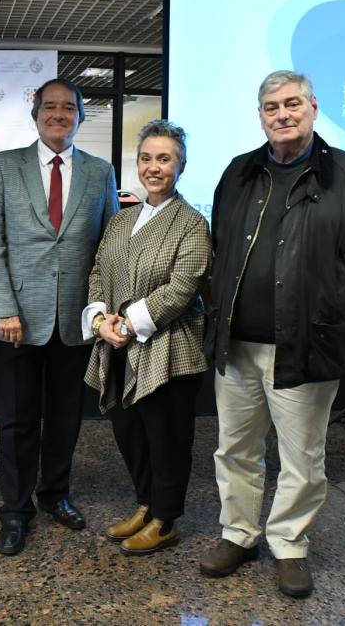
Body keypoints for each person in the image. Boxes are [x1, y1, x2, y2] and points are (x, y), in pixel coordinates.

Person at [199, 70, 345, 596]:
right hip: (237, 344)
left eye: (292, 104)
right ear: (260, 114)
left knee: (301, 456)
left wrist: (332, 301)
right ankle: (239, 535)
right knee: (234, 448)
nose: (282, 115)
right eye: (271, 107)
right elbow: (221, 243)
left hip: (306, 344)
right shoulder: (240, 171)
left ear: (313, 107)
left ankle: (289, 544)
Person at [0, 77, 119, 555]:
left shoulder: (100, 173)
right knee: (16, 420)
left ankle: (55, 494)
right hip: (18, 320)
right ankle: (15, 511)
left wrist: (102, 312)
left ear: (80, 115)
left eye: (68, 108)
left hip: (77, 321)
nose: (58, 114)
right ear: (35, 113)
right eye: (50, 107)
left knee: (64, 417)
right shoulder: (4, 167)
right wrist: (2, 310)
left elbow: (108, 249)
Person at [83, 119, 211, 555]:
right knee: (129, 432)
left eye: (164, 159)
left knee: (167, 439)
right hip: (118, 346)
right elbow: (99, 271)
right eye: (146, 158)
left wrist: (128, 322)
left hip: (169, 352)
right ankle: (145, 504)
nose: (153, 167)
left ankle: (166, 519)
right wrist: (100, 319)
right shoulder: (122, 220)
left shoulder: (192, 224)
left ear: (181, 165)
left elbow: (182, 286)